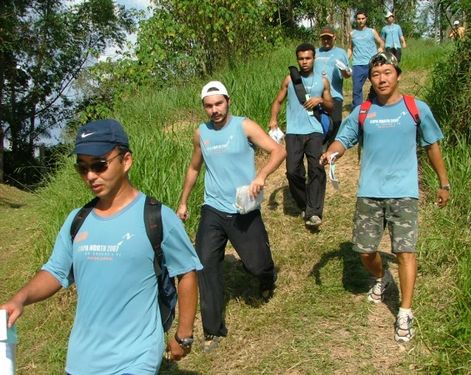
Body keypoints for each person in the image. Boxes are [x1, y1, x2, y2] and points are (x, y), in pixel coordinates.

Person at [0, 119, 203, 374]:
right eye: (82, 168)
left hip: (135, 358)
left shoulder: (157, 217)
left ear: (125, 160)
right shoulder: (77, 220)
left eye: (99, 165)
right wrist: (20, 299)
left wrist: (184, 334)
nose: (91, 176)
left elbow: (186, 271)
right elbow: (55, 271)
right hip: (81, 361)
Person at [320, 52, 450, 342]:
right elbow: (345, 138)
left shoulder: (415, 108)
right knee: (365, 250)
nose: (381, 79)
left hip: (404, 193)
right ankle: (382, 278)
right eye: (376, 74)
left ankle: (405, 311)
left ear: (397, 74)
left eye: (387, 73)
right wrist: (333, 153)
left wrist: (444, 183)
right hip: (370, 192)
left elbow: (432, 146)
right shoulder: (363, 111)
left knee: (405, 251)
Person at [177, 81, 286, 352]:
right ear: (204, 107)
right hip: (212, 208)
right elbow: (193, 168)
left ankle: (266, 277)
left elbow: (278, 150)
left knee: (257, 264)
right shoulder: (201, 133)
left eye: (219, 103)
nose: (214, 110)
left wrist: (261, 175)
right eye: (209, 105)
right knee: (205, 264)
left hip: (243, 207)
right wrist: (183, 201)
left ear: (228, 101)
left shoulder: (244, 126)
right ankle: (212, 331)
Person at [269, 43, 334, 227]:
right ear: (297, 59)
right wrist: (273, 118)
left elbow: (331, 107)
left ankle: (314, 212)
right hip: (294, 132)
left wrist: (320, 99)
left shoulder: (323, 82)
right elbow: (278, 100)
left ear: (314, 59)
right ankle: (305, 202)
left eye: (308, 58)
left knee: (317, 169)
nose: (304, 62)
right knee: (292, 171)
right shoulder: (290, 80)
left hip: (315, 131)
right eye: (301, 58)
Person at [314, 25, 352, 142]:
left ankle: (330, 150)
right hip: (317, 94)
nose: (326, 41)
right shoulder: (315, 52)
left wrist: (343, 70)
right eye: (323, 38)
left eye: (328, 38)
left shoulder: (341, 53)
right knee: (319, 122)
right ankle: (320, 147)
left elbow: (347, 75)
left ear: (334, 37)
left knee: (336, 121)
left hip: (335, 94)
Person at [348, 10, 385, 109]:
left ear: (366, 19)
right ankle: (357, 110)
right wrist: (345, 58)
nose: (360, 21)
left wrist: (381, 48)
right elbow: (350, 48)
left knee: (377, 86)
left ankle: (376, 105)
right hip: (357, 65)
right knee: (356, 89)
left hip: (371, 64)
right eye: (358, 19)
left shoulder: (372, 31)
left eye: (362, 18)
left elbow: (381, 42)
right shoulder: (352, 34)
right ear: (356, 20)